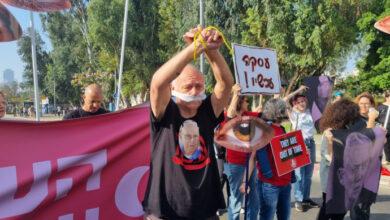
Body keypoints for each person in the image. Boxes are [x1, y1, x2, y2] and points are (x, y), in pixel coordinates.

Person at [142, 24, 234, 220]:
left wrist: (211, 50)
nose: (195, 91)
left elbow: (226, 83)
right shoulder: (164, 113)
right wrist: (194, 48)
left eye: (199, 86)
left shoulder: (207, 111)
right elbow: (158, 81)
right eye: (188, 86)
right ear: (173, 88)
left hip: (205, 211)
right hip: (165, 212)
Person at [245, 98, 292, 220]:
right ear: (279, 111)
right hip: (270, 184)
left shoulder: (282, 129)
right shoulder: (263, 131)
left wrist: (302, 153)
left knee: (284, 217)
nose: (287, 110)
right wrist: (245, 181)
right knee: (267, 216)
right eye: (285, 108)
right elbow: (253, 157)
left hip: (285, 183)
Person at [317, 99, 361, 220]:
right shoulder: (329, 132)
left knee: (341, 209)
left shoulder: (347, 130)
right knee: (327, 207)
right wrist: (331, 141)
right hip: (330, 177)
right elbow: (327, 157)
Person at [224, 83, 259, 220]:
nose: (248, 103)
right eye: (246, 100)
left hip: (250, 163)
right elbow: (230, 114)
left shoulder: (248, 115)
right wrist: (236, 94)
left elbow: (267, 114)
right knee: (236, 201)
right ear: (240, 102)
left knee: (253, 200)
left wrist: (276, 96)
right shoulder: (229, 116)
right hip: (236, 164)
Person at [283, 85, 320, 212]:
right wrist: (299, 90)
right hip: (299, 143)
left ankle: (306, 198)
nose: (301, 103)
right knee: (299, 173)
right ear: (295, 104)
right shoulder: (294, 114)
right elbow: (284, 100)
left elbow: (322, 102)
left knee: (308, 174)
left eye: (303, 101)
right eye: (298, 102)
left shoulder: (311, 113)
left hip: (311, 143)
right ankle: (298, 199)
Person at [349, 92, 379, 220]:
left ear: (372, 105)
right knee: (356, 202)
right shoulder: (353, 120)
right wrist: (372, 120)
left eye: (367, 103)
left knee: (366, 202)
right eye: (361, 103)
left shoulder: (375, 121)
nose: (364, 106)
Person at [376, 90, 390, 165]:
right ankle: (388, 159)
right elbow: (376, 117)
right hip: (383, 127)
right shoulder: (381, 107)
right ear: (386, 97)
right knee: (386, 144)